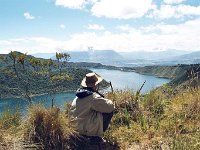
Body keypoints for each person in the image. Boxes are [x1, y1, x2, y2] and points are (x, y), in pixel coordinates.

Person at [70, 72, 115, 140]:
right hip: (84, 131)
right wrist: (109, 100)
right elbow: (110, 107)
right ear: (95, 85)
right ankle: (95, 137)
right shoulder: (93, 97)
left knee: (96, 109)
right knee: (108, 112)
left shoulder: (79, 95)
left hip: (74, 128)